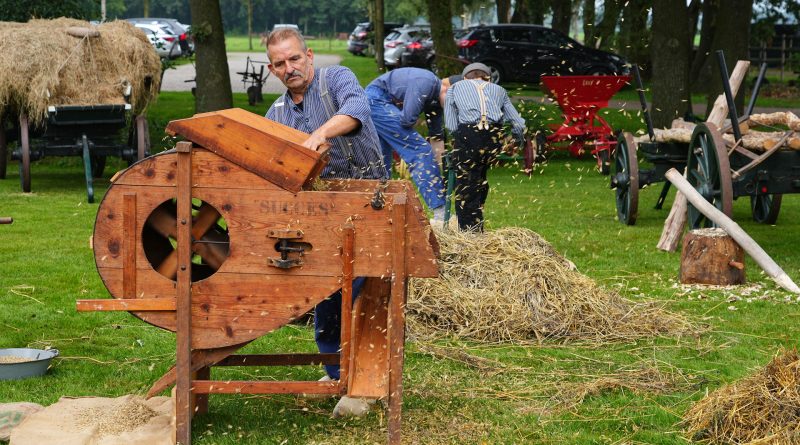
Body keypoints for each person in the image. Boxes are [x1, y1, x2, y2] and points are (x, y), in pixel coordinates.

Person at [264, 27, 386, 417]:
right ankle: (336, 373)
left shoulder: (337, 80)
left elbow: (356, 112)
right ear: (271, 69)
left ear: (309, 55)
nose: (289, 68)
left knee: (363, 295)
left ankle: (363, 386)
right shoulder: (277, 114)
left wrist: (318, 134)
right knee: (326, 296)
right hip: (317, 217)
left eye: (294, 59)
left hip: (369, 203)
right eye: (280, 64)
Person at [365, 68, 461, 224]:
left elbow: (436, 139)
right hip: (376, 100)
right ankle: (441, 214)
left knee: (382, 159)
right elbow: (407, 120)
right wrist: (430, 172)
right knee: (420, 151)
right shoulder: (427, 82)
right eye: (454, 104)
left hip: (381, 102)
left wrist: (440, 171)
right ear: (449, 90)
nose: (452, 109)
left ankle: (379, 210)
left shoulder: (436, 102)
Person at [444, 62, 526, 232]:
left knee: (466, 184)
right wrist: (517, 141)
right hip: (493, 137)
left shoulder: (455, 88)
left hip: (468, 134)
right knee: (480, 175)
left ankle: (470, 231)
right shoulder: (499, 90)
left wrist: (458, 138)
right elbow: (518, 123)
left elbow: (451, 124)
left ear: (465, 77)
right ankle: (478, 212)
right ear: (488, 77)